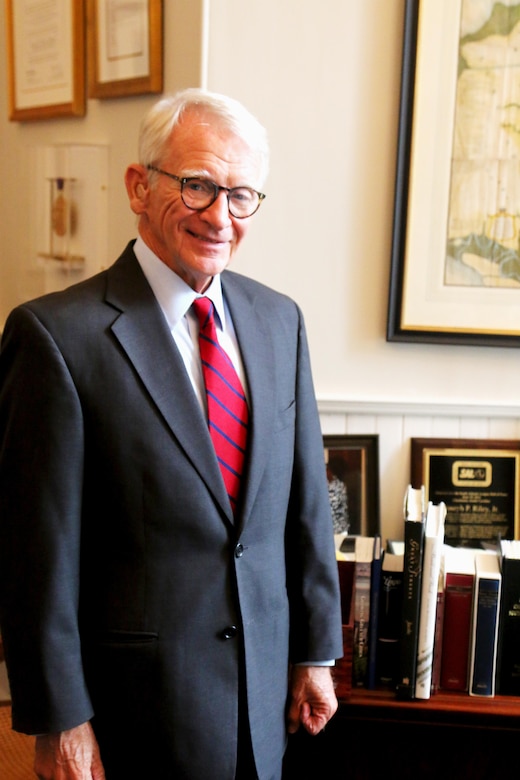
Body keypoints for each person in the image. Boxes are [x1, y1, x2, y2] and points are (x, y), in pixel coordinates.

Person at [0, 88, 343, 780]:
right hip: (133, 716)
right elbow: (34, 552)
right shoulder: (55, 336)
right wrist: (61, 718)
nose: (220, 215)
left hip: (263, 702)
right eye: (197, 187)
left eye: (241, 195)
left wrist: (315, 652)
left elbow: (303, 507)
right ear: (139, 185)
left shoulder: (281, 322)